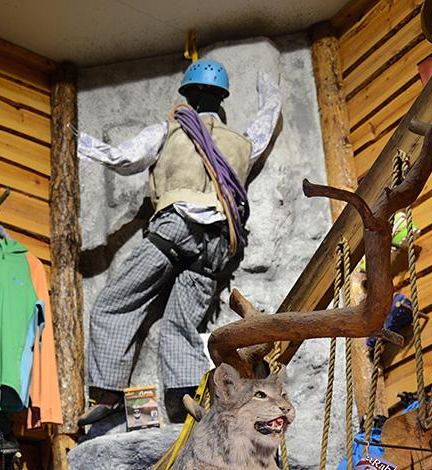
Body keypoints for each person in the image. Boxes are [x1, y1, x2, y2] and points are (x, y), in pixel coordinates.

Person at [76, 58, 282, 425]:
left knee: (114, 305)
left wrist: (84, 144)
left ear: (187, 95)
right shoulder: (242, 143)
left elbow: (125, 158)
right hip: (219, 244)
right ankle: (188, 396)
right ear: (222, 98)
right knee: (180, 324)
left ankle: (108, 394)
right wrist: (270, 93)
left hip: (174, 229)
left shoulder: (170, 131)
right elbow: (264, 125)